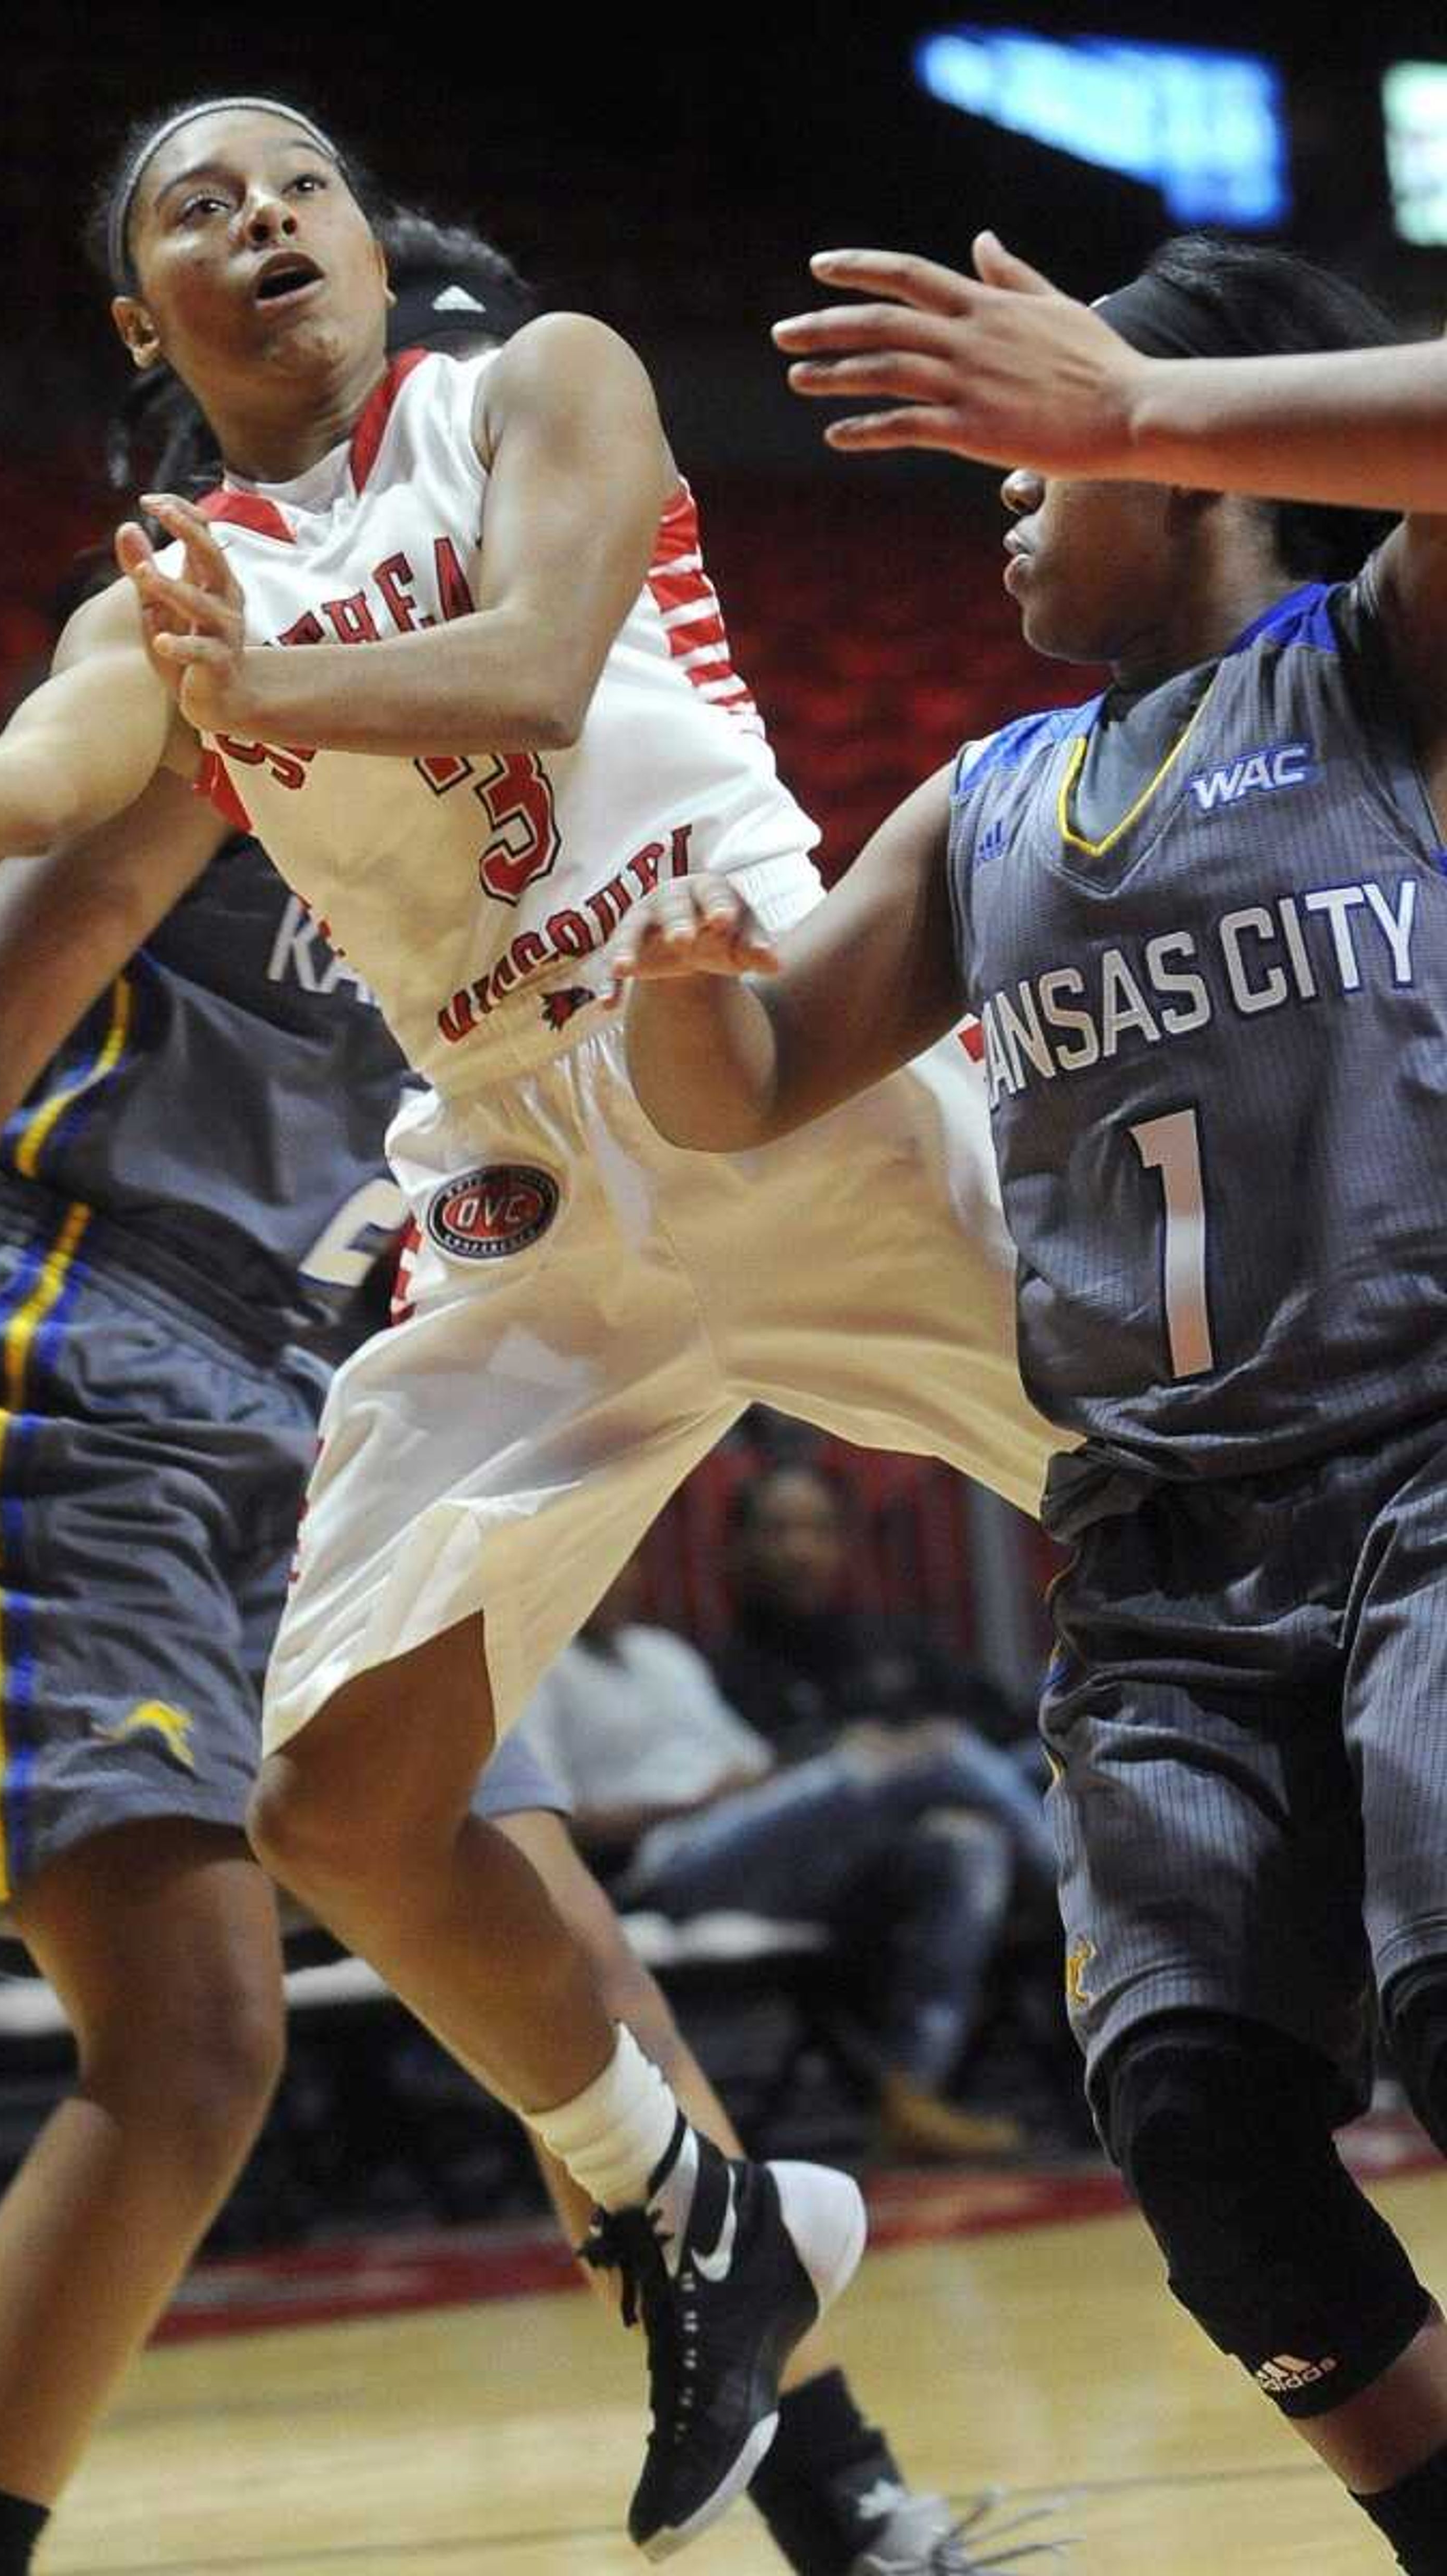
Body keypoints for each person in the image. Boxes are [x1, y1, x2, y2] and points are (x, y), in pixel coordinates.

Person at [0, 95, 1066, 2557]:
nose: (260, 217)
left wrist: (239, 683)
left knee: (1214, 1532)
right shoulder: (174, 604)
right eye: (191, 207)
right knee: (344, 1796)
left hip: (771, 1049)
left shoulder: (541, 383)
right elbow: (36, 786)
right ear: (141, 319)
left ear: (375, 246)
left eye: (300, 184)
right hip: (521, 1183)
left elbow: (551, 657)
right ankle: (699, 2201)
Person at [614, 226, 1447, 2571]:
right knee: (1191, 2114)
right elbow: (748, 1078)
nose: (995, 489)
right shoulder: (988, 804)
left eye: (1034, 448)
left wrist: (1122, 400)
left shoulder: (1374, 664)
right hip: (1167, 1561)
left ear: (1173, 456)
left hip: (1421, 1472)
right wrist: (674, 967)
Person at [521, 1551, 1028, 2164]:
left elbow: (758, 1768)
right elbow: (551, 1827)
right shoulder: (535, 1667)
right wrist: (698, 1800)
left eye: (623, 1559)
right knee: (935, 1753)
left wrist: (796, 1773)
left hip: (755, 1838)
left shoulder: (666, 1655)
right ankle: (1079, 1895)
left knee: (963, 1845)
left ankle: (911, 2090)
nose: (612, 1574)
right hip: (667, 1863)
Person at [719, 1460, 1056, 1866]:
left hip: (976, 1785)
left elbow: (999, 1715)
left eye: (819, 1530)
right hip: (852, 1839)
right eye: (779, 1531)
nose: (800, 1551)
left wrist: (930, 1738)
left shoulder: (888, 1639)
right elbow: (767, 1776)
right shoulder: (724, 1669)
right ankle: (1078, 1892)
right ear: (739, 1546)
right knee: (962, 1825)